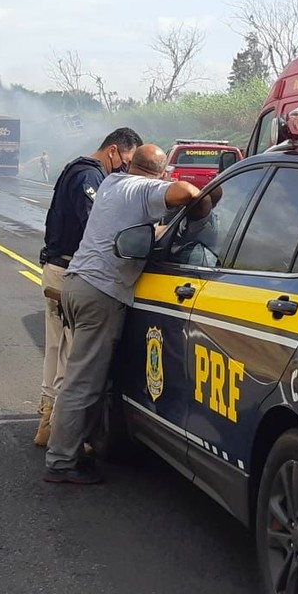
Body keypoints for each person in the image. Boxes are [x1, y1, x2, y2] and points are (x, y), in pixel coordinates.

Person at [43, 144, 210, 484]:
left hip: (77, 284)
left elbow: (140, 229)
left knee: (87, 376)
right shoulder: (144, 189)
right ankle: (61, 463)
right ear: (160, 173)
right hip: (100, 292)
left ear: (130, 162)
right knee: (83, 383)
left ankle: (75, 447)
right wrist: (205, 204)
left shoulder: (112, 183)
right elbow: (188, 192)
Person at [33, 128, 143, 447]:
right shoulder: (89, 179)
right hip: (70, 272)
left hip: (57, 268)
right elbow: (94, 227)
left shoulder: (75, 169)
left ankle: (48, 420)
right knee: (72, 356)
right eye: (126, 160)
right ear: (112, 150)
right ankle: (61, 434)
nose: (125, 167)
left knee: (57, 351)